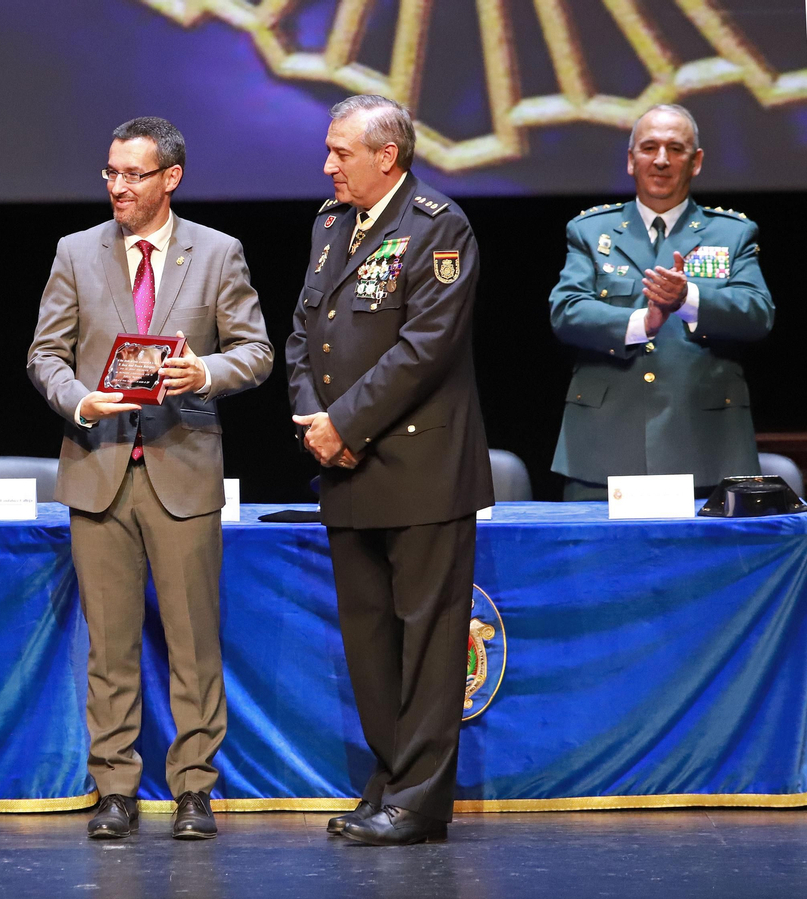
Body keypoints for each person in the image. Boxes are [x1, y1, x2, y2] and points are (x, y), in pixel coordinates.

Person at [27, 117, 273, 841]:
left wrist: (204, 371)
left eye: (133, 175)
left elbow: (255, 352)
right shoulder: (76, 253)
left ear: (171, 178)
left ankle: (195, 787)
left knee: (194, 639)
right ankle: (115, 787)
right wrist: (78, 396)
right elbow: (45, 354)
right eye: (110, 173)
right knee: (109, 644)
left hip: (182, 468)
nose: (117, 187)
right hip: (99, 468)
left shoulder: (218, 254)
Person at [286, 95, 493, 846]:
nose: (327, 165)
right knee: (369, 642)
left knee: (430, 643)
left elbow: (424, 348)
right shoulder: (330, 223)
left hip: (421, 468)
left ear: (388, 156)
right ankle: (389, 783)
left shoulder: (440, 226)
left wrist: (345, 423)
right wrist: (315, 422)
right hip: (345, 468)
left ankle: (419, 799)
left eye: (341, 153)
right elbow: (304, 332)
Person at [549, 104, 774, 499]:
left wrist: (688, 299)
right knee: (599, 562)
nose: (662, 160)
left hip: (705, 445)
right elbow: (566, 310)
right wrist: (641, 324)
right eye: (649, 147)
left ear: (697, 161)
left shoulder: (732, 233)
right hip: (603, 446)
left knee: (707, 562)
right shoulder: (590, 230)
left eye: (676, 148)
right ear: (631, 161)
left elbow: (757, 313)